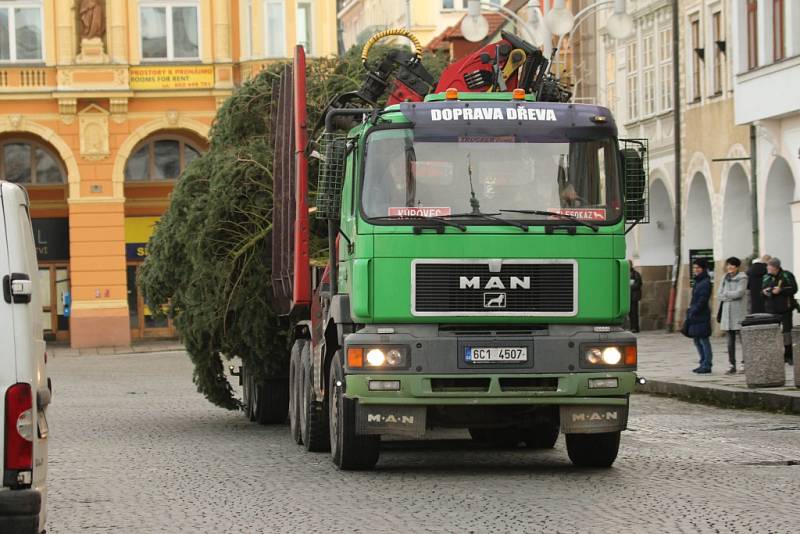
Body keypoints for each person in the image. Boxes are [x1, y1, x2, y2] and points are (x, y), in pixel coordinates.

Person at [762, 257, 798, 365]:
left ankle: (788, 355)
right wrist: (764, 292)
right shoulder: (766, 277)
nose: (767, 267)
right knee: (773, 333)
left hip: (785, 309)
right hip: (771, 310)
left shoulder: (787, 275)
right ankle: (776, 356)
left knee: (787, 333)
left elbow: (794, 289)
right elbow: (762, 291)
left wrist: (781, 290)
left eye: (769, 266)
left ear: (775, 267)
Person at [717, 257, 747, 374]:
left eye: (732, 265)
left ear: (737, 267)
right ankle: (731, 364)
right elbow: (719, 294)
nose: (729, 267)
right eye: (728, 265)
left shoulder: (743, 277)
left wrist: (726, 294)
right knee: (730, 342)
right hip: (726, 313)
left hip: (738, 312)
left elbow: (740, 293)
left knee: (742, 339)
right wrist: (728, 295)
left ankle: (744, 363)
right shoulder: (725, 277)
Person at [686, 258, 713, 374]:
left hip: (701, 314)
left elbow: (703, 299)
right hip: (695, 314)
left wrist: (695, 309)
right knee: (696, 340)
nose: (695, 270)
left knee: (703, 339)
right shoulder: (698, 281)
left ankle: (707, 364)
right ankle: (702, 362)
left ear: (703, 269)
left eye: (698, 268)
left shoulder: (705, 282)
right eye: (694, 268)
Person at [629, 260, 642, 333]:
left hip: (634, 297)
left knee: (634, 313)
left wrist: (630, 286)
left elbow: (638, 284)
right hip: (629, 297)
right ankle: (632, 327)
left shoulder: (636, 274)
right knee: (630, 313)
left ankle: (635, 328)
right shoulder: (626, 273)